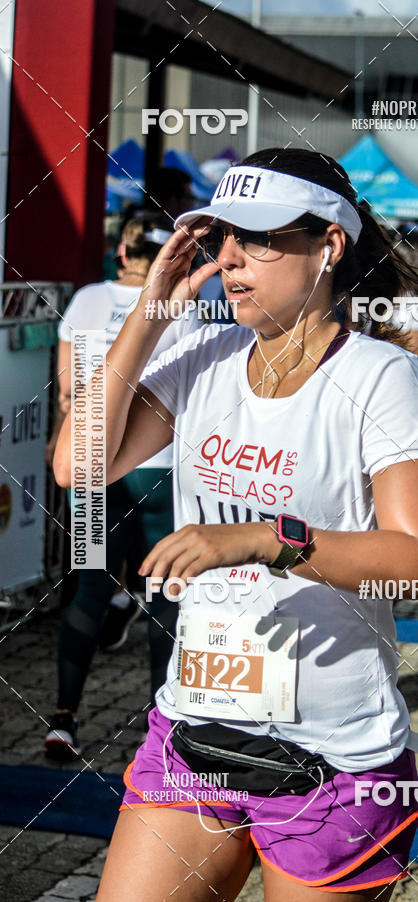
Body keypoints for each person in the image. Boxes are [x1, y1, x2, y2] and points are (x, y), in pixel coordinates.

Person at [54, 147, 418, 900]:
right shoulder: (205, 353)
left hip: (333, 759)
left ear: (330, 245)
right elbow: (78, 464)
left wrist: (269, 537)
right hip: (192, 738)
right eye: (224, 236)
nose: (232, 259)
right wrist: (151, 311)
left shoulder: (381, 376)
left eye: (261, 238)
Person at [44, 214, 203, 760]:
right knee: (164, 592)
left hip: (91, 465)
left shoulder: (88, 298)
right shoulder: (184, 304)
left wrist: (59, 441)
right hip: (160, 465)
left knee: (90, 584)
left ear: (120, 255)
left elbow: (68, 391)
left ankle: (63, 719)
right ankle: (160, 727)